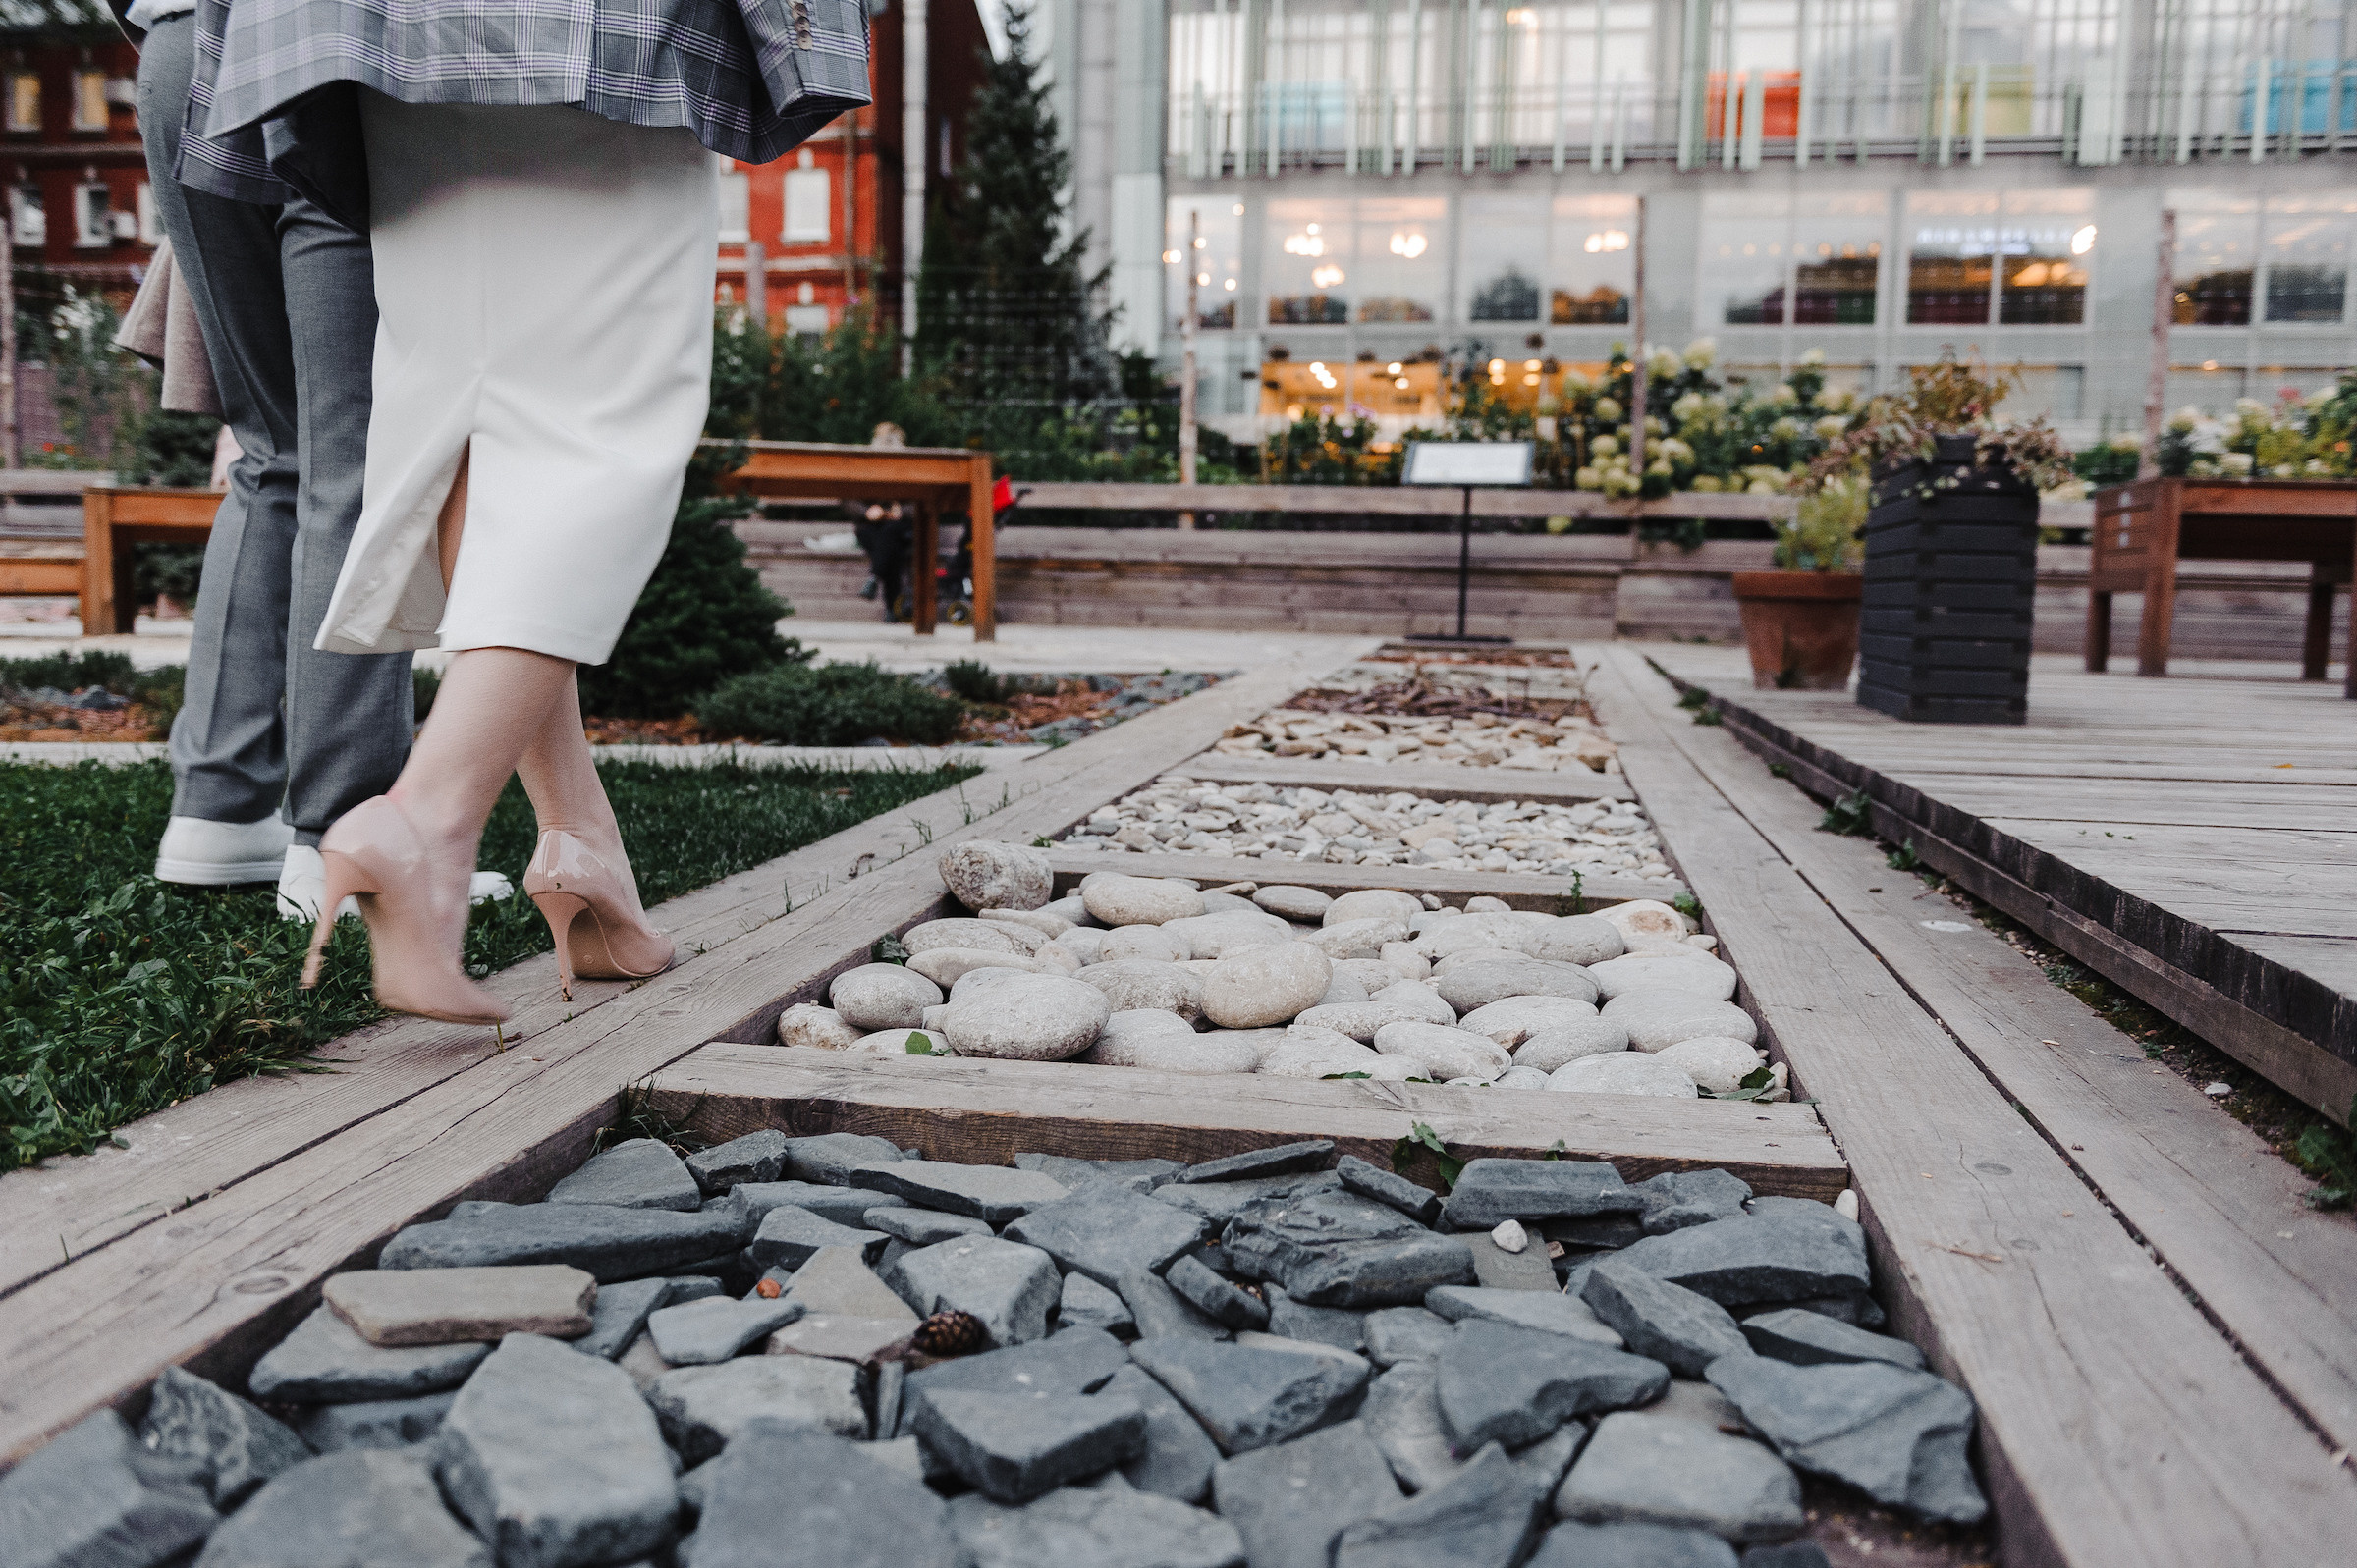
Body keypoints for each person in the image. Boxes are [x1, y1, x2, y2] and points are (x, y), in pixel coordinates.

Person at [177, 0, 871, 1023]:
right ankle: (427, 820)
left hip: (359, 26)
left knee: (474, 408)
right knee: (607, 422)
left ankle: (579, 838)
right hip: (576, 26)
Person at [117, 0, 426, 920]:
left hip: (177, 47)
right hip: (323, 49)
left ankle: (218, 804)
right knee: (352, 454)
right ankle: (345, 831)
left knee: (273, 450)